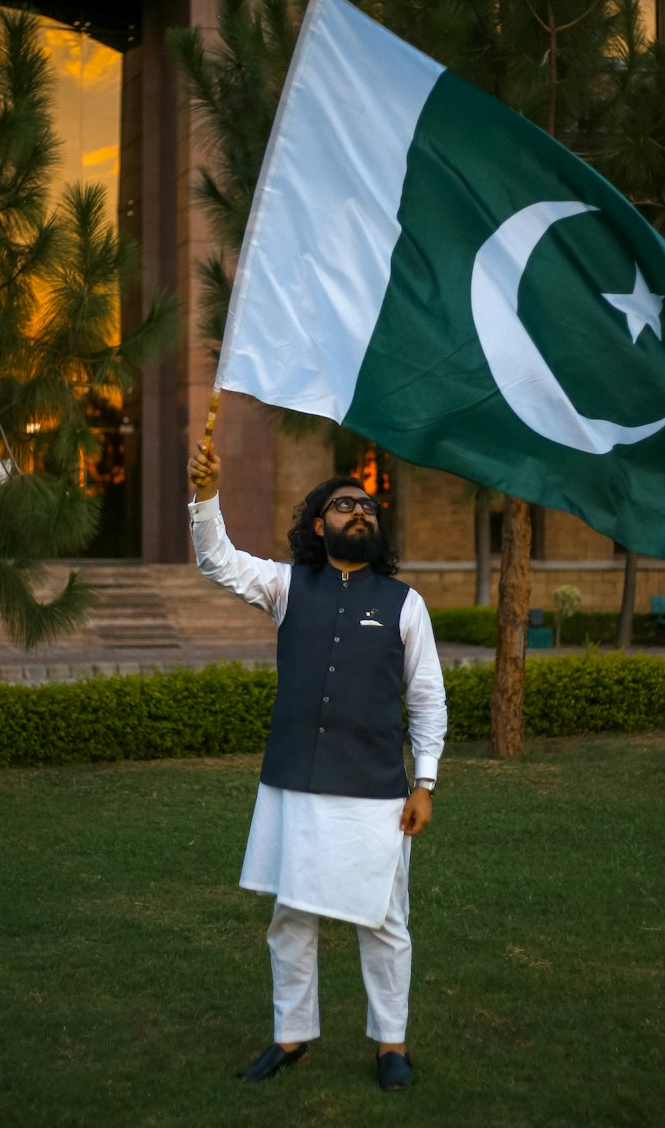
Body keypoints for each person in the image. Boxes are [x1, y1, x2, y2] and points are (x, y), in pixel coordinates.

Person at [186, 443, 447, 1092]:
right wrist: (208, 493)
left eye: (366, 505)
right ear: (318, 525)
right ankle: (291, 1036)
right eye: (343, 505)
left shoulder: (404, 603)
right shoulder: (286, 587)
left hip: (378, 791)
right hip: (295, 786)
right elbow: (217, 561)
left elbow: (427, 697)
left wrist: (427, 781)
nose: (358, 511)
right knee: (291, 917)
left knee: (385, 922)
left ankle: (392, 1046)